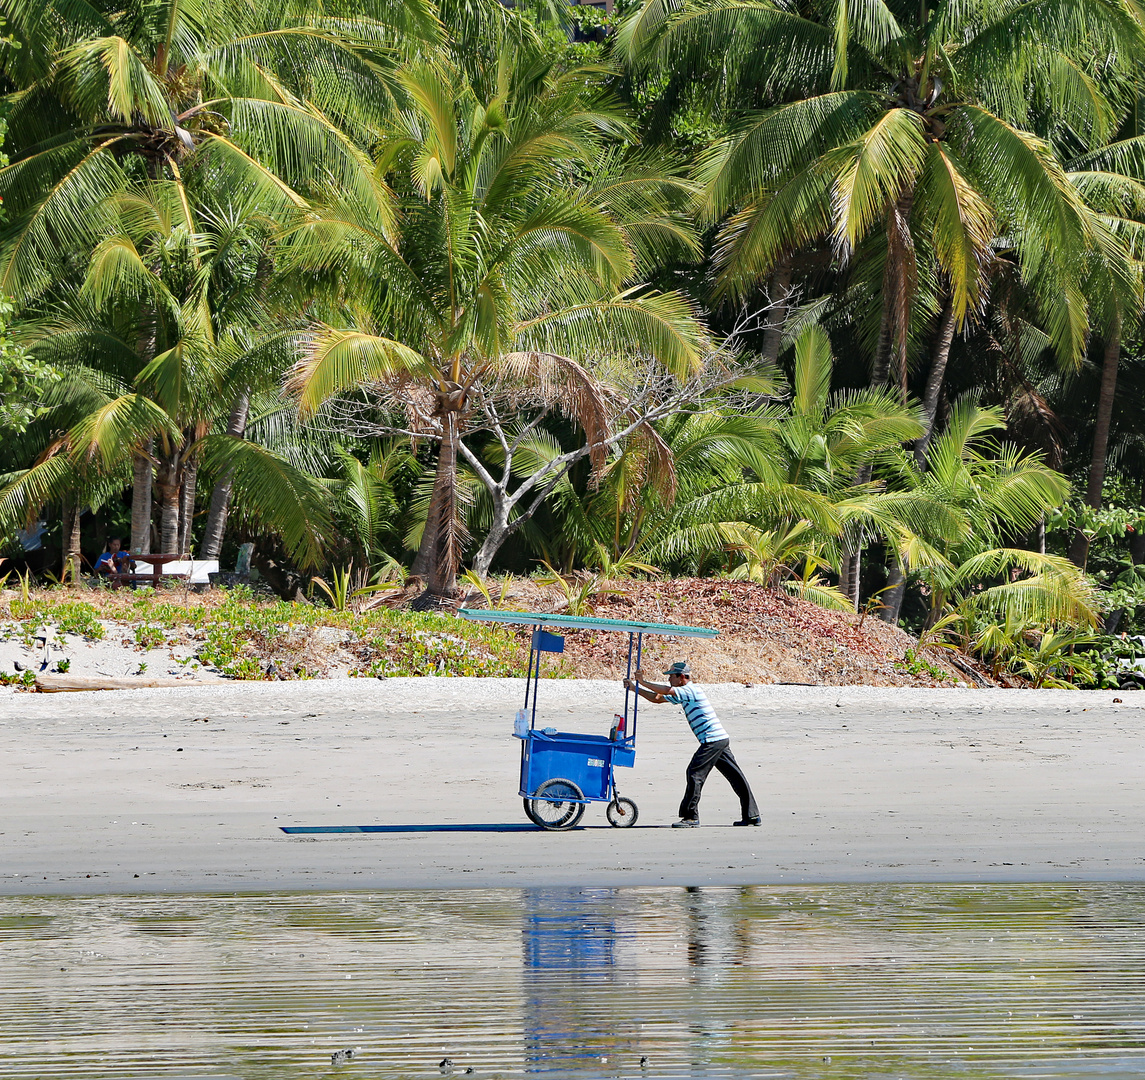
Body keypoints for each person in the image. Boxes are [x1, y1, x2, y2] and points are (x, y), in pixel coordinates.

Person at [624, 660, 761, 828]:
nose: (669, 680)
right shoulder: (684, 692)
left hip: (712, 740)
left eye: (671, 677)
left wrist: (643, 681)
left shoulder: (689, 689)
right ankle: (752, 815)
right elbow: (657, 698)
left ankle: (690, 817)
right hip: (719, 739)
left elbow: (666, 690)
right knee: (735, 777)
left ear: (681, 677)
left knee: (694, 773)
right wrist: (634, 688)